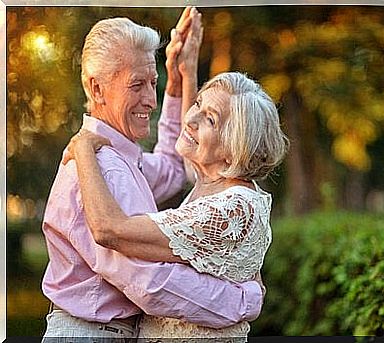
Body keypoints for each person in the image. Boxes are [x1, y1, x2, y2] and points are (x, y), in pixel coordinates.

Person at [41, 9, 264, 341]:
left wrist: (177, 82)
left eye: (153, 83)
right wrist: (245, 299)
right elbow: (151, 283)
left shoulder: (122, 158)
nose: (151, 100)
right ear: (97, 90)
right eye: (137, 85)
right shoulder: (103, 169)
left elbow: (173, 168)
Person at [63, 71, 289, 341]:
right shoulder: (209, 187)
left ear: (234, 147)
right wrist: (184, 71)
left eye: (210, 119)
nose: (191, 119)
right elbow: (180, 162)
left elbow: (109, 230)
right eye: (197, 103)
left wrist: (84, 146)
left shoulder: (232, 208)